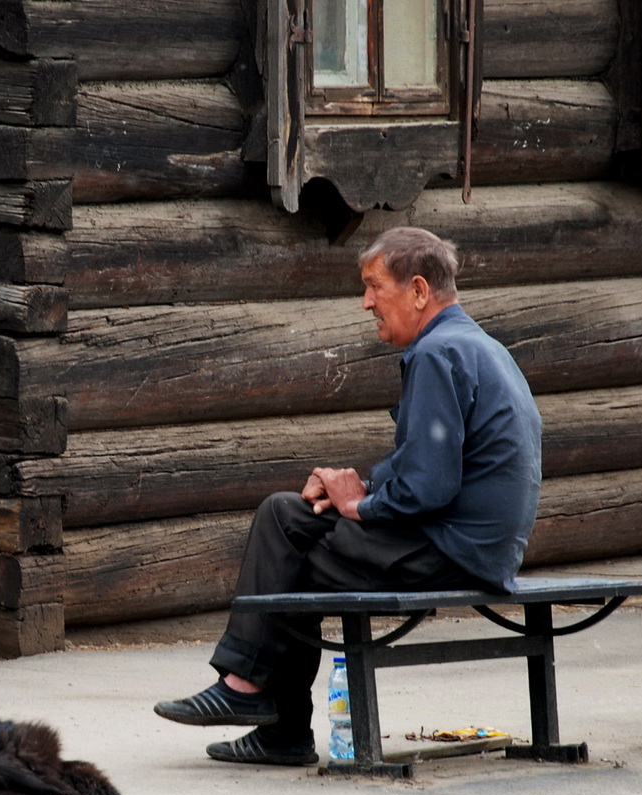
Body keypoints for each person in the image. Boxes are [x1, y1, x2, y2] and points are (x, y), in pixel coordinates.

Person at [154, 227, 542, 765]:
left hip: (450, 552)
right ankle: (258, 706)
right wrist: (355, 486)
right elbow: (428, 466)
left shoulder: (437, 353)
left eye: (374, 286)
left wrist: (360, 505)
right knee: (287, 515)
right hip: (473, 547)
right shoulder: (476, 346)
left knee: (287, 548)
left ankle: (262, 710)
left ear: (419, 290)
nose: (366, 302)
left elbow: (429, 487)